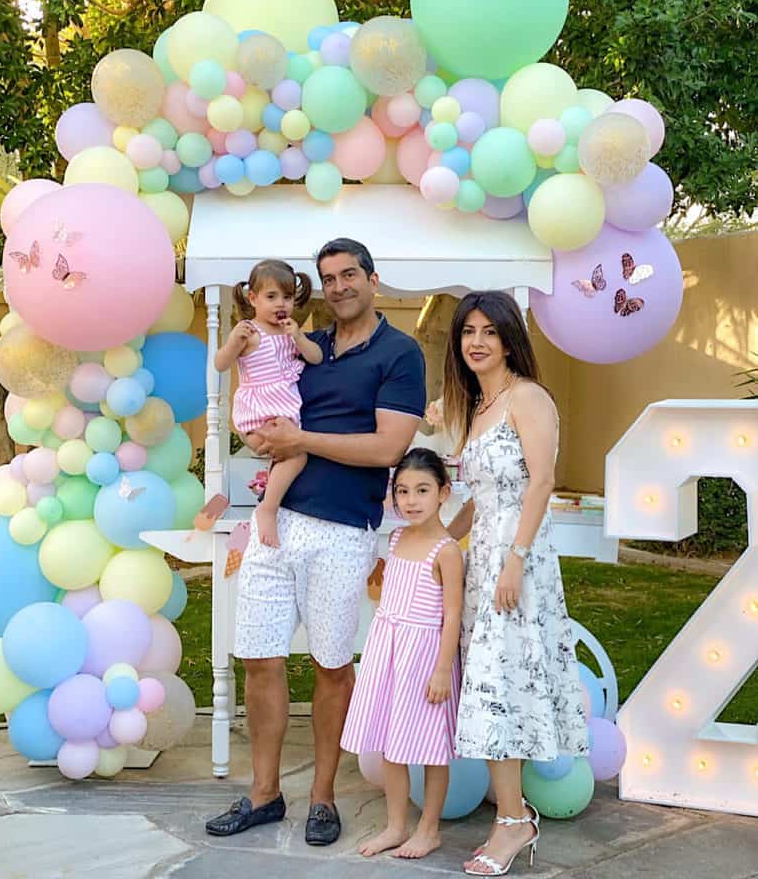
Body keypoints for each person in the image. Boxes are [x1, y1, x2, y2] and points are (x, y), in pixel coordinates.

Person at [205, 238, 426, 846]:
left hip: (342, 530)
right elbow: (257, 398)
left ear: (373, 280)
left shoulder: (399, 353)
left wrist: (299, 439)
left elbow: (387, 448)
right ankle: (264, 794)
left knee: (332, 665)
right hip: (275, 526)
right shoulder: (306, 345)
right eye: (329, 278)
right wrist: (263, 439)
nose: (339, 286)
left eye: (350, 275)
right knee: (258, 656)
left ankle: (323, 797)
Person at [442, 291, 588, 877]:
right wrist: (439, 541)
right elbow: (478, 499)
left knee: (504, 683)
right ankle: (512, 815)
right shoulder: (478, 406)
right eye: (467, 331)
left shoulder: (528, 397)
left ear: (508, 339)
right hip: (482, 567)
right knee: (491, 687)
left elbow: (541, 481)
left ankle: (512, 823)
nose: (476, 341)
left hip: (517, 568)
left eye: (489, 332)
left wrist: (514, 559)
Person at [341, 448, 463, 860]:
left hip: (425, 655)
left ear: (443, 493)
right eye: (404, 491)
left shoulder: (446, 551)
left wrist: (443, 669)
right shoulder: (394, 539)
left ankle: (429, 829)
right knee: (388, 742)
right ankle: (396, 825)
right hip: (388, 650)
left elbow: (452, 614)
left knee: (429, 746)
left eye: (423, 490)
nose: (411, 500)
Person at [213, 259, 322, 548]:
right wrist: (234, 341)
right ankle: (268, 507)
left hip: (284, 409)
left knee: (291, 455)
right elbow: (220, 363)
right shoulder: (249, 331)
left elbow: (316, 357)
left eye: (287, 297)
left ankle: (270, 500)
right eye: (271, 297)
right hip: (262, 409)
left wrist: (298, 337)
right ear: (253, 299)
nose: (280, 304)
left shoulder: (289, 331)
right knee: (295, 455)